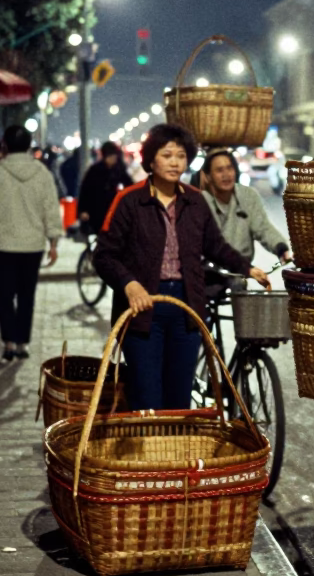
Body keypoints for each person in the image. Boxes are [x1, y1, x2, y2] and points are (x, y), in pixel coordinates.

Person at [93, 124, 271, 411]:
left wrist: (247, 268)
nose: (175, 162)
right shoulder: (129, 201)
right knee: (147, 398)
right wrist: (129, 284)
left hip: (187, 310)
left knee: (179, 400)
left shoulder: (195, 201)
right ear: (151, 160)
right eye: (167, 155)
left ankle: (175, 442)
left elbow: (215, 246)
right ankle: (150, 442)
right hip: (143, 312)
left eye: (180, 155)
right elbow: (103, 256)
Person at [0, 125, 62, 362]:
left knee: (4, 294)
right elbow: (50, 209)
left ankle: (8, 343)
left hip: (1, 244)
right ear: (29, 145)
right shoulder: (41, 173)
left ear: (5, 145)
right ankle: (23, 343)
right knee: (26, 295)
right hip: (32, 245)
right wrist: (53, 241)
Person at [200, 148, 292, 294]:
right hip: (208, 270)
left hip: (239, 270)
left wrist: (281, 248)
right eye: (219, 170)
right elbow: (212, 245)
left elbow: (263, 228)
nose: (226, 175)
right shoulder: (200, 201)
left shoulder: (248, 196)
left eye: (229, 168)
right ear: (208, 176)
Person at [77, 142, 129, 235]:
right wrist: (83, 210)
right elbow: (85, 191)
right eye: (110, 157)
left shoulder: (119, 170)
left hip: (113, 211)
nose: (112, 159)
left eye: (114, 156)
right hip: (96, 210)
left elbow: (129, 185)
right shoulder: (95, 170)